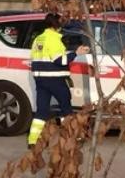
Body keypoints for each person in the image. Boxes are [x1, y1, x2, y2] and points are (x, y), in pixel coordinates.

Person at [27, 13, 89, 148]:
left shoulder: (38, 39)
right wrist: (76, 53)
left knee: (41, 111)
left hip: (40, 80)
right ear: (57, 26)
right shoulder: (53, 39)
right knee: (66, 109)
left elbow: (37, 58)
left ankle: (32, 140)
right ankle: (73, 138)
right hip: (55, 79)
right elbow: (60, 60)